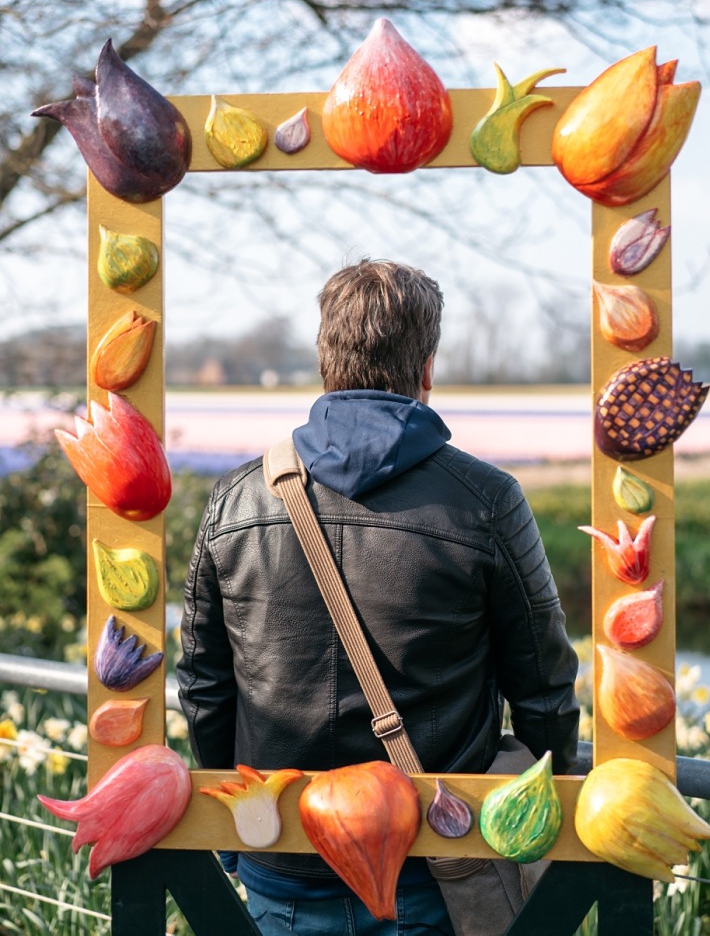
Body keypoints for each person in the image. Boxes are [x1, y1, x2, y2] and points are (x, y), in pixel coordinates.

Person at [177, 260, 580, 935]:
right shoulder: (487, 501)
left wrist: (234, 828)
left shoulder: (237, 498)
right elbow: (543, 686)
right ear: (426, 366)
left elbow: (205, 686)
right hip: (434, 855)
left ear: (323, 359)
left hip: (285, 852)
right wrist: (543, 817)